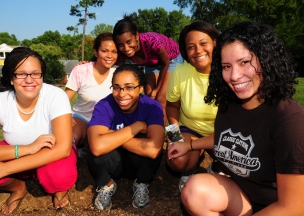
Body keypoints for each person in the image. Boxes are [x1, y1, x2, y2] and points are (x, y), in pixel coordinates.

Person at [168, 21, 304, 215]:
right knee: (194, 190)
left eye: (244, 62)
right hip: (244, 194)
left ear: (266, 59)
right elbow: (225, 138)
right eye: (226, 66)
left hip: (280, 206)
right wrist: (187, 144)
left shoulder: (290, 119)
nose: (234, 75)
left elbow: (294, 206)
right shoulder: (229, 104)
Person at [0, 47, 77, 214]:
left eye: (35, 73)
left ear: (42, 75)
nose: (29, 80)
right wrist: (27, 148)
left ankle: (59, 190)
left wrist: (4, 169)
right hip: (17, 152)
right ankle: (17, 187)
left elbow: (63, 148)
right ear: (11, 77)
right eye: (21, 74)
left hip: (50, 154)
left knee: (59, 176)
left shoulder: (55, 96)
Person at [87, 64, 164, 210]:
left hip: (138, 162)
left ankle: (141, 183)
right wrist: (137, 127)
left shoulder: (152, 106)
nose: (121, 94)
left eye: (129, 87)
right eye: (116, 87)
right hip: (113, 163)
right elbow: (97, 147)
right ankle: (107, 185)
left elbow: (153, 149)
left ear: (140, 88)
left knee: (149, 151)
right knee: (98, 154)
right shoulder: (104, 105)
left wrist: (111, 135)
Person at [165, 21, 219, 191]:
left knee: (239, 163)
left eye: (203, 43)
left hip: (221, 133)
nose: (198, 51)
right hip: (190, 130)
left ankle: (217, 167)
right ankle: (189, 168)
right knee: (177, 159)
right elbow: (171, 106)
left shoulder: (228, 70)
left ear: (215, 43)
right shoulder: (180, 71)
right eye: (191, 47)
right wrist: (174, 136)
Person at [112, 14, 183, 124]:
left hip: (171, 59)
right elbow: (112, 65)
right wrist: (90, 64)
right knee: (150, 100)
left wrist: (156, 89)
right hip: (151, 64)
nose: (126, 48)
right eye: (121, 45)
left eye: (129, 42)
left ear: (136, 36)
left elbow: (165, 63)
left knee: (160, 98)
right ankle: (154, 129)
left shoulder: (151, 41)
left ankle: (171, 135)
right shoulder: (123, 52)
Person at [65, 32, 118, 148]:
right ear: (95, 52)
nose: (110, 55)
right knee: (73, 137)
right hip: (81, 117)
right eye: (105, 51)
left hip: (107, 120)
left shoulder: (118, 73)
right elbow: (63, 100)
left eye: (114, 52)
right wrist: (67, 119)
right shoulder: (81, 70)